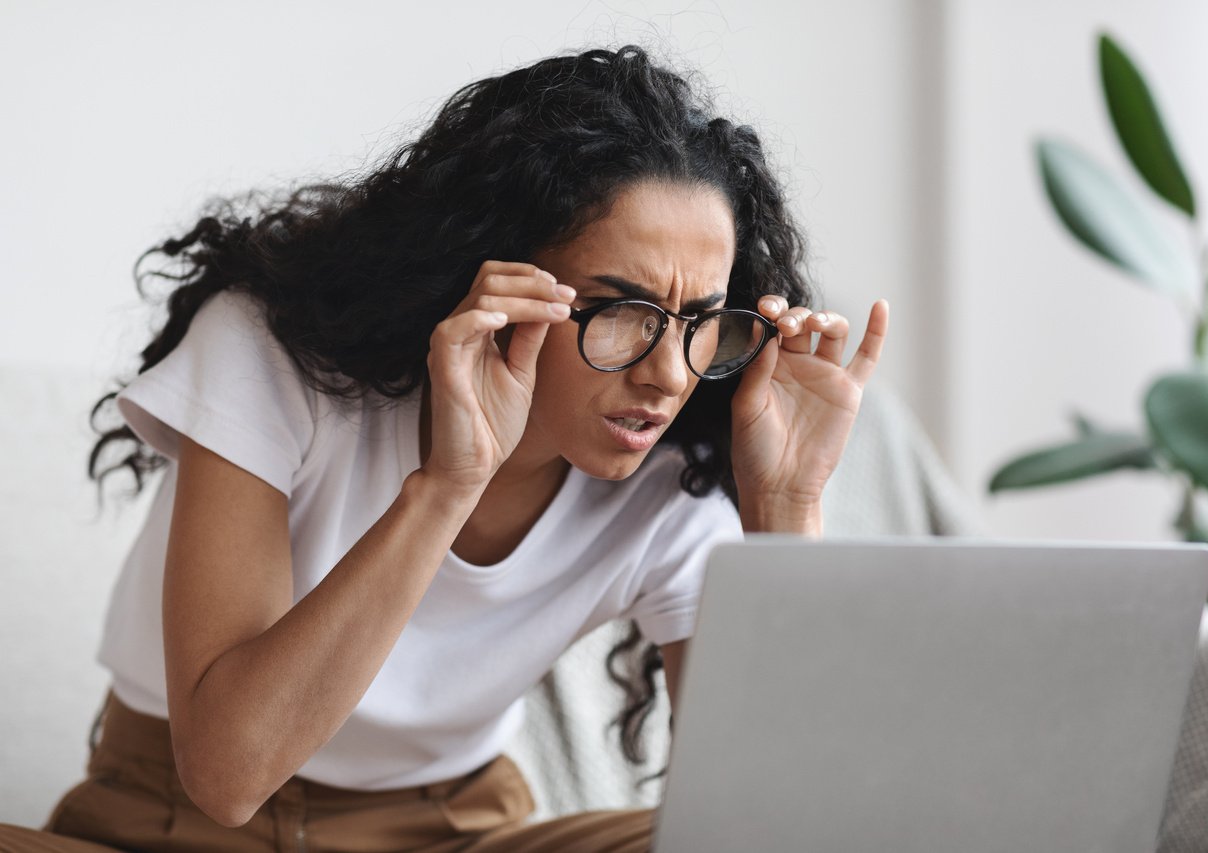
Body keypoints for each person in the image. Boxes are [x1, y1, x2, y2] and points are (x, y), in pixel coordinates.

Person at [0, 45, 888, 852]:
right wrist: (446, 484)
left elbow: (779, 822)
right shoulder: (271, 355)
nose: (667, 374)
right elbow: (228, 775)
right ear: (491, 280)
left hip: (453, 830)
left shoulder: (677, 471)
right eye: (620, 311)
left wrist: (785, 507)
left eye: (701, 323)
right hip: (168, 821)